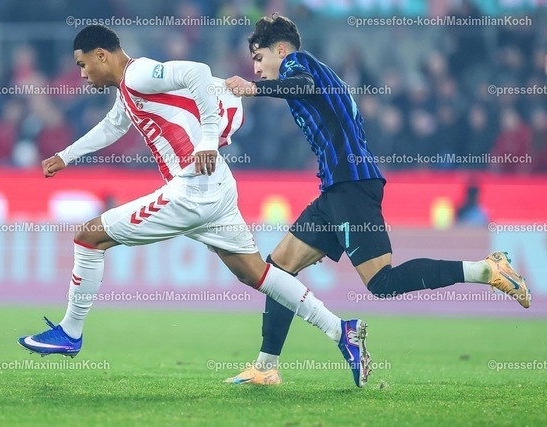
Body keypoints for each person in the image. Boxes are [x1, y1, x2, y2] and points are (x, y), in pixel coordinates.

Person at [18, 24, 372, 388]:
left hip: (192, 189)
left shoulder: (140, 73)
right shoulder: (128, 90)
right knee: (256, 274)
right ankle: (341, 330)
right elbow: (112, 126)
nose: (82, 74)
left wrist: (206, 140)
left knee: (89, 236)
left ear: (101, 55)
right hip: (215, 186)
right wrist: (66, 155)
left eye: (83, 65)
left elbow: (198, 72)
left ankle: (70, 332)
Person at [224, 14, 531, 385]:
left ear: (281, 50)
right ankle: (265, 367)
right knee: (279, 268)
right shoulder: (318, 74)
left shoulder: (298, 64)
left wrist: (254, 89)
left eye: (259, 58)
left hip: (351, 186)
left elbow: (302, 85)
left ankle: (486, 270)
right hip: (337, 188)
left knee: (382, 281)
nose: (257, 68)